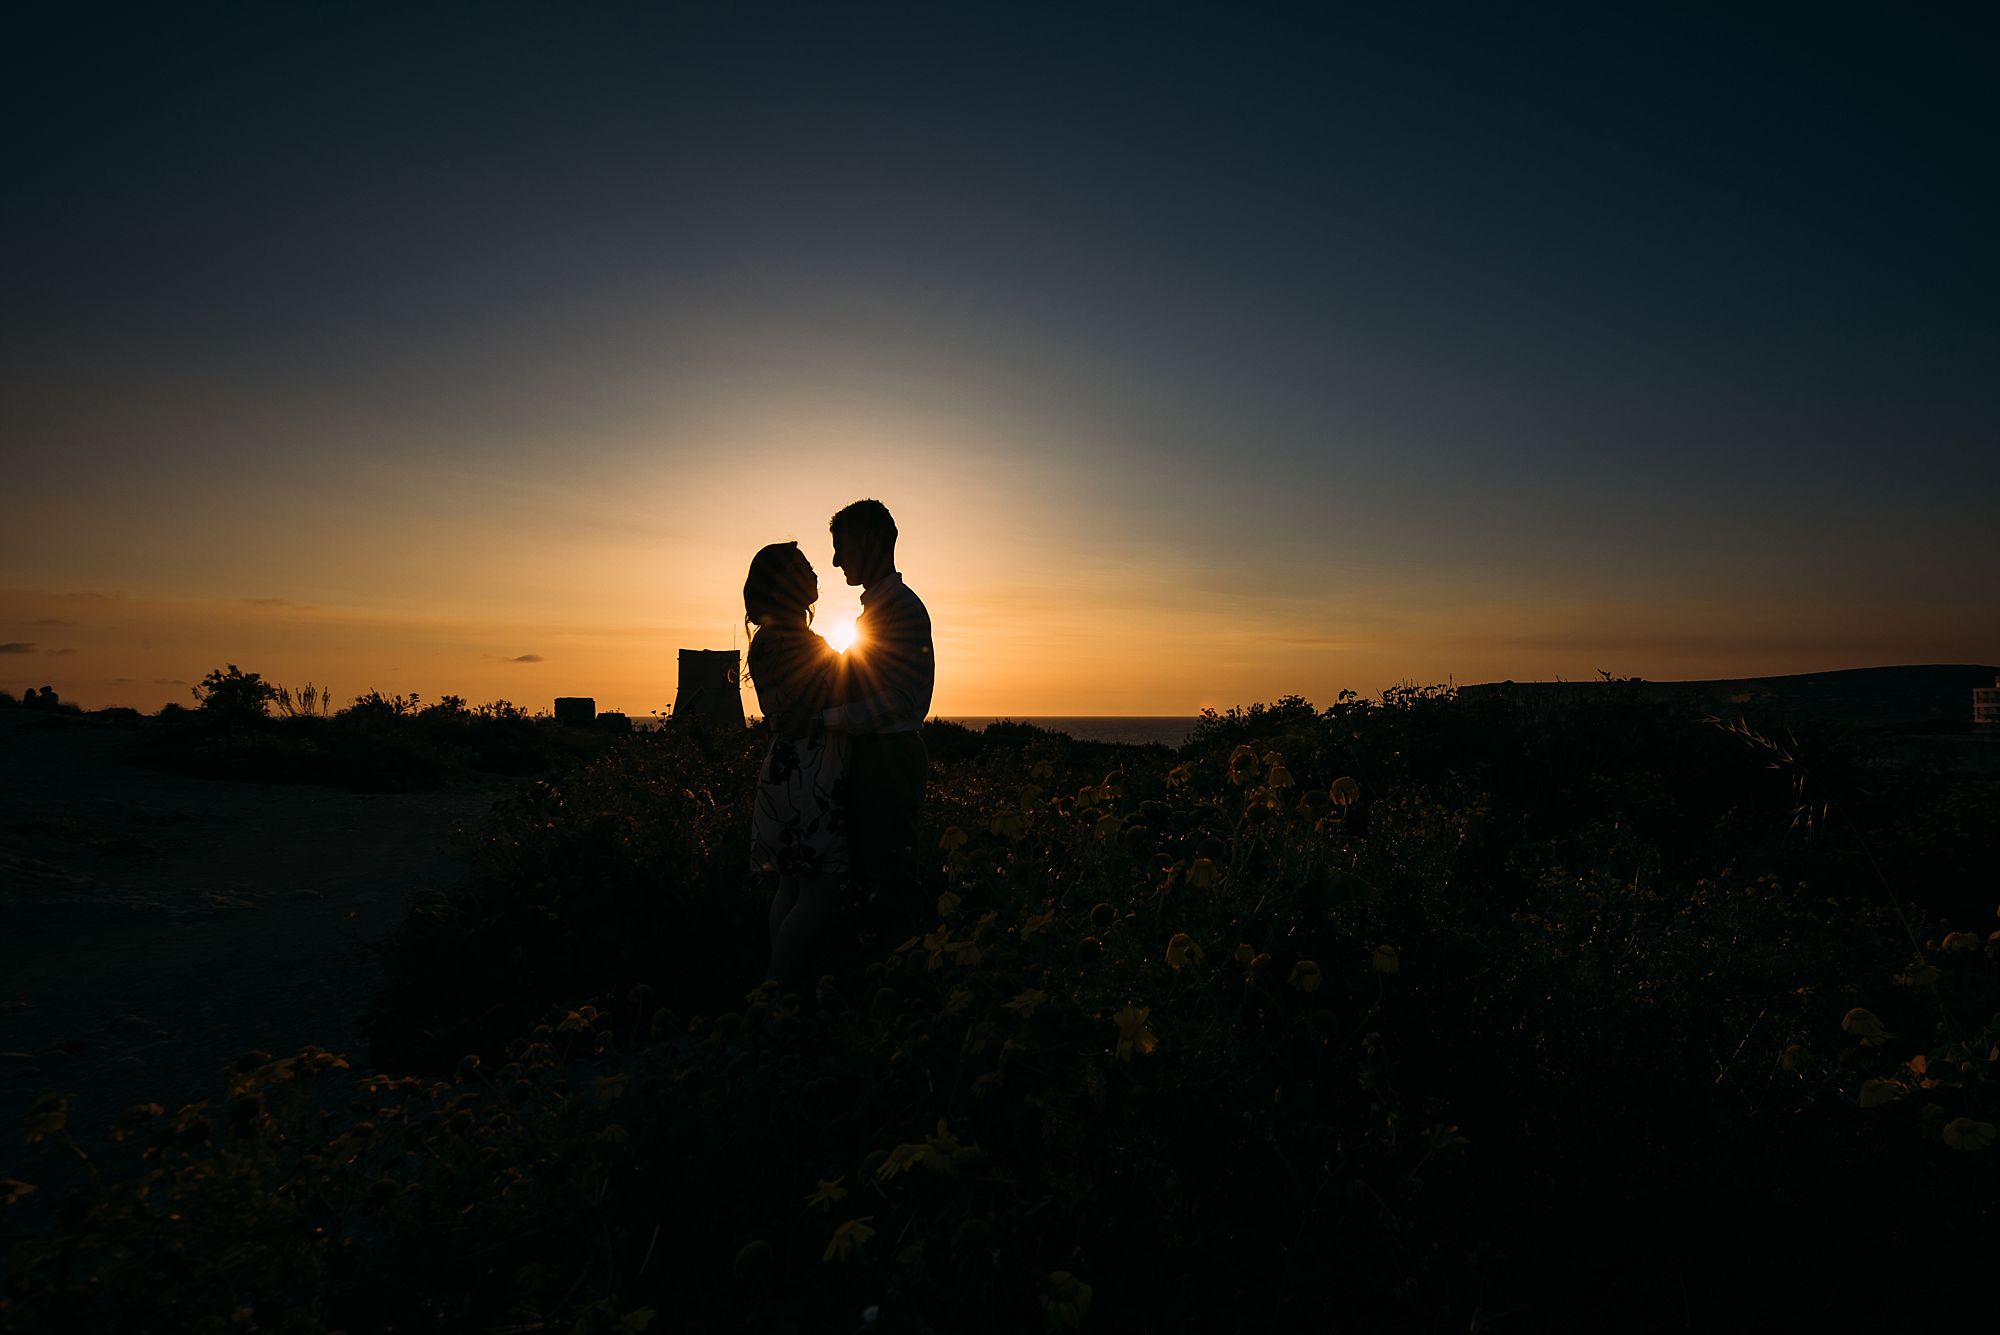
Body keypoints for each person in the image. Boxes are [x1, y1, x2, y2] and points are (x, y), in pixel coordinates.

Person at [822, 499, 933, 937]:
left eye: (841, 546)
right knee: (872, 876)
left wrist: (825, 718)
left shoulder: (902, 610)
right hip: (876, 757)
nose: (835, 559)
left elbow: (903, 700)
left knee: (891, 880)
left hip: (889, 760)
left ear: (869, 541)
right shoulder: (876, 612)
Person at [743, 541, 851, 988]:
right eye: (805, 567)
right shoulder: (788, 641)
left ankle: (781, 990)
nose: (816, 573)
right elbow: (804, 708)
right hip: (811, 772)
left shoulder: (772, 639)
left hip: (789, 769)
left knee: (791, 888)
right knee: (818, 893)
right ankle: (776, 988)